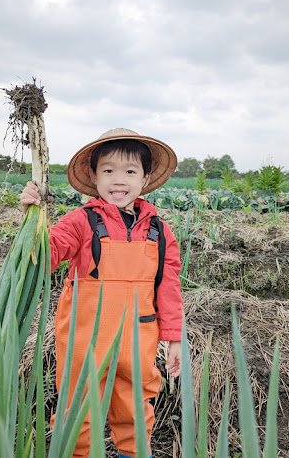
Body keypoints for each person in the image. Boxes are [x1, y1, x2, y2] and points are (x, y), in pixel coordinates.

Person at [21, 128, 184, 458]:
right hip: (86, 340)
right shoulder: (81, 222)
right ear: (94, 176)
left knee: (136, 410)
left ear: (145, 177)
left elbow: (168, 287)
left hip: (139, 339)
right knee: (79, 408)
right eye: (108, 170)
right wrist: (31, 218)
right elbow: (44, 255)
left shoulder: (159, 230)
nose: (118, 180)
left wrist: (175, 338)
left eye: (130, 171)